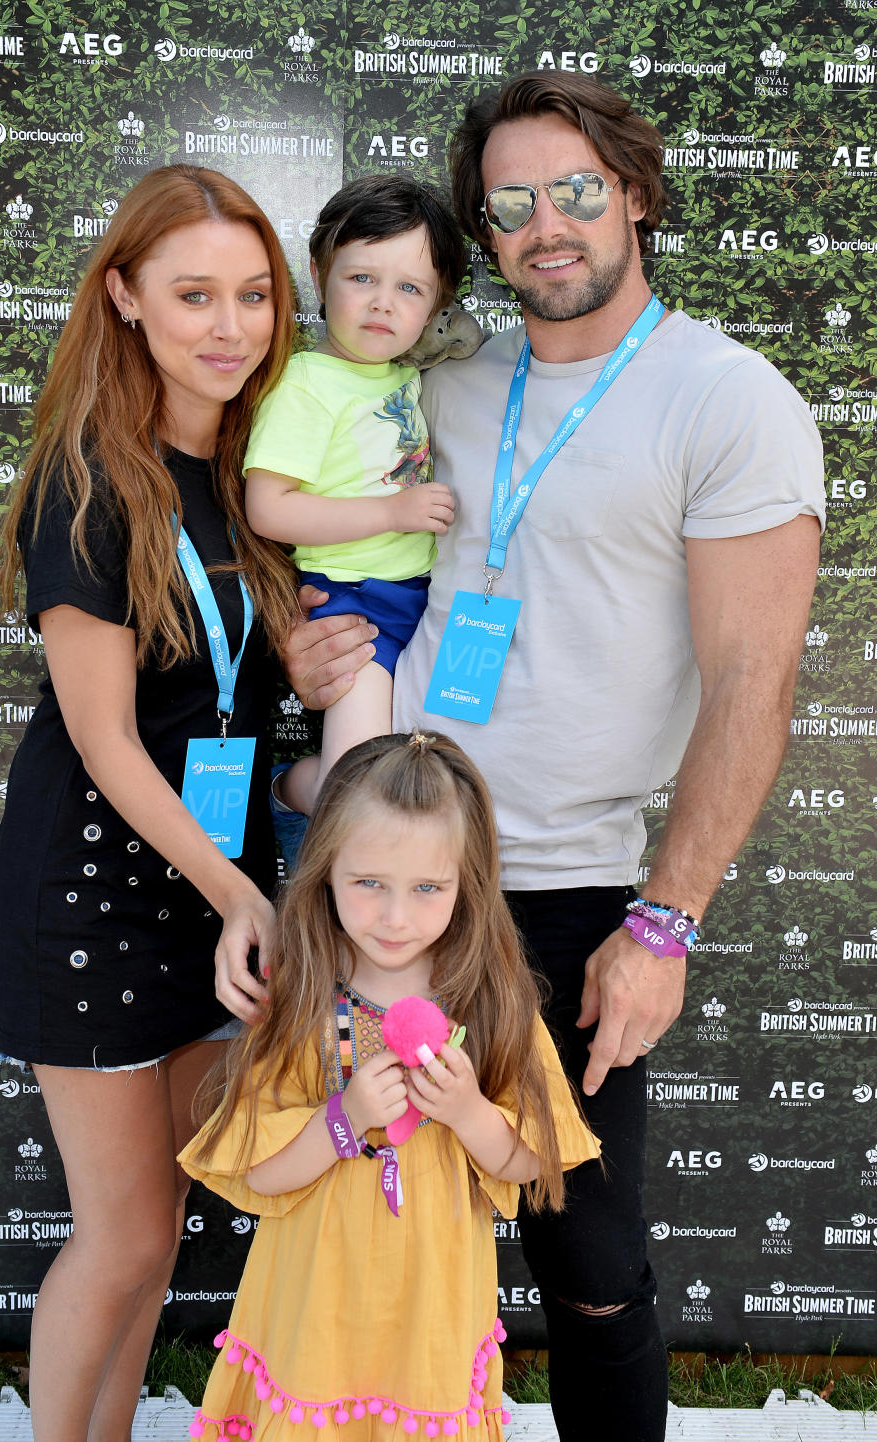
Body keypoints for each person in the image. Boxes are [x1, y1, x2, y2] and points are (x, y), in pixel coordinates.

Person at [279, 73, 826, 1442]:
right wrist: (311, 649)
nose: (547, 225)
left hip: (578, 894)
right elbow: (338, 550)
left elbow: (754, 688)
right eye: (511, 203)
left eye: (576, 189)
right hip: (386, 887)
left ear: (636, 193)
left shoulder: (727, 399)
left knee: (586, 1265)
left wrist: (665, 918)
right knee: (360, 1230)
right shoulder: (436, 377)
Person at [0, 164, 299, 1442]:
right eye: (192, 295)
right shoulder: (88, 479)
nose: (229, 327)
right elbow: (108, 739)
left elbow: (229, 706)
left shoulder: (251, 475)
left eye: (255, 295)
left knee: (158, 1230)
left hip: (207, 891)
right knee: (116, 1234)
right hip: (97, 894)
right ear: (122, 295)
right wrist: (239, 890)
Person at [179, 731, 600, 1442]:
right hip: (314, 1311)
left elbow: (533, 1158)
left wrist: (467, 1113)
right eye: (368, 883)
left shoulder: (493, 1002)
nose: (395, 917)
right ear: (326, 871)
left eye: (427, 888)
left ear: (468, 882)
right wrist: (344, 1119)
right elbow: (261, 1168)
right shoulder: (304, 994)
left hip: (428, 1322)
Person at [244, 174, 465, 816]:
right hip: (352, 609)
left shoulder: (403, 375)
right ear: (320, 273)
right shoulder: (306, 386)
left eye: (410, 289)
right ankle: (289, 791)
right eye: (362, 278)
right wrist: (392, 513)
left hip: (423, 606)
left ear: (435, 305)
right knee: (360, 787)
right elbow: (269, 507)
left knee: (419, 775)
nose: (382, 305)